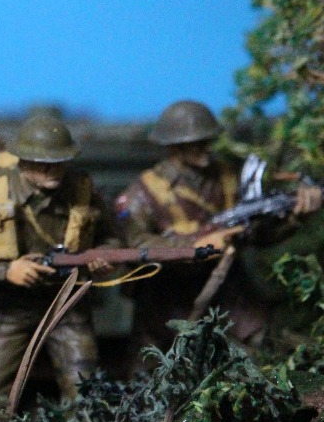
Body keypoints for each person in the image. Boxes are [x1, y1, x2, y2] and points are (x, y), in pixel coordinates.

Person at [116, 100, 322, 351]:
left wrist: (294, 218)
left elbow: (254, 234)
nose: (207, 148)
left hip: (226, 286)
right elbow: (134, 243)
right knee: (155, 359)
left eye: (208, 140)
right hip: (167, 292)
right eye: (198, 143)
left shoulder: (226, 178)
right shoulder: (144, 191)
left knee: (260, 339)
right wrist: (192, 247)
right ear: (175, 146)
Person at [0, 114, 120, 407]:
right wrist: (7, 270)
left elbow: (112, 238)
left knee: (85, 392)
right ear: (24, 162)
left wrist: (103, 257)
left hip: (66, 304)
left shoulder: (82, 189)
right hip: (9, 307)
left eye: (59, 161)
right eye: (43, 163)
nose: (53, 169)